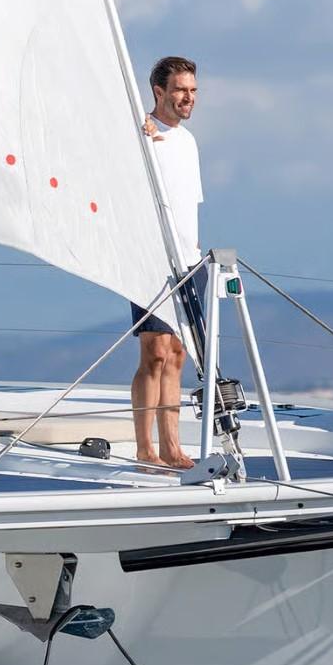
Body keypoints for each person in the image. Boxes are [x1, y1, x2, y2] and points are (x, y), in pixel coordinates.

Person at [130, 55, 202, 470]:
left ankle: (172, 447)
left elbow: (189, 201)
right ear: (159, 92)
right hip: (151, 259)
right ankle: (146, 448)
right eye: (180, 90)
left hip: (188, 259)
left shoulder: (187, 141)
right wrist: (137, 137)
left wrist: (194, 249)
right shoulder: (139, 133)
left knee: (177, 352)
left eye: (192, 90)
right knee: (154, 351)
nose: (188, 97)